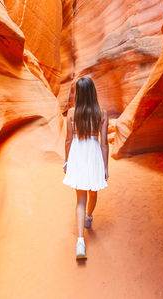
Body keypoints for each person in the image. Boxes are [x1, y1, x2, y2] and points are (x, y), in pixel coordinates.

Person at [63, 76, 109, 259]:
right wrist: (105, 167)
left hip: (78, 153)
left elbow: (68, 140)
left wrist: (67, 161)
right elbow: (104, 143)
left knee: (79, 199)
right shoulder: (102, 113)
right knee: (93, 192)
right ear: (93, 92)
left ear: (79, 94)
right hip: (93, 152)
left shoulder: (73, 113)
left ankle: (80, 242)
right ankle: (89, 216)